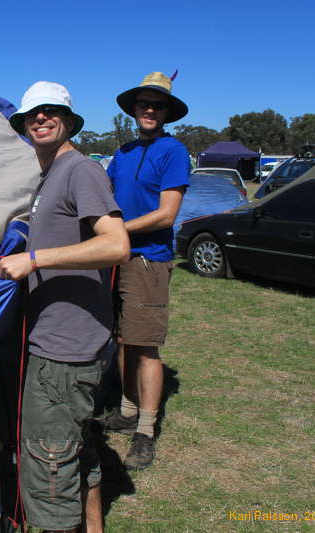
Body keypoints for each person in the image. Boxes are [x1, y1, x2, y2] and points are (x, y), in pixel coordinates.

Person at [0, 81, 129, 533]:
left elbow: (116, 245)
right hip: (73, 338)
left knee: (47, 466)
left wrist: (33, 259)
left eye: (51, 111)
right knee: (75, 449)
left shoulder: (80, 170)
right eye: (33, 114)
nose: (41, 118)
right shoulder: (50, 175)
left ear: (69, 121)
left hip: (64, 349)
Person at [102, 72, 191, 470]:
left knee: (146, 346)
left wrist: (118, 230)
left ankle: (146, 430)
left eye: (157, 104)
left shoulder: (174, 151)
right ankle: (125, 410)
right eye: (143, 103)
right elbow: (104, 198)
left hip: (147, 259)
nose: (149, 109)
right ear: (134, 109)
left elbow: (167, 213)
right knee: (123, 339)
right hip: (114, 259)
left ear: (167, 112)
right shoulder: (121, 152)